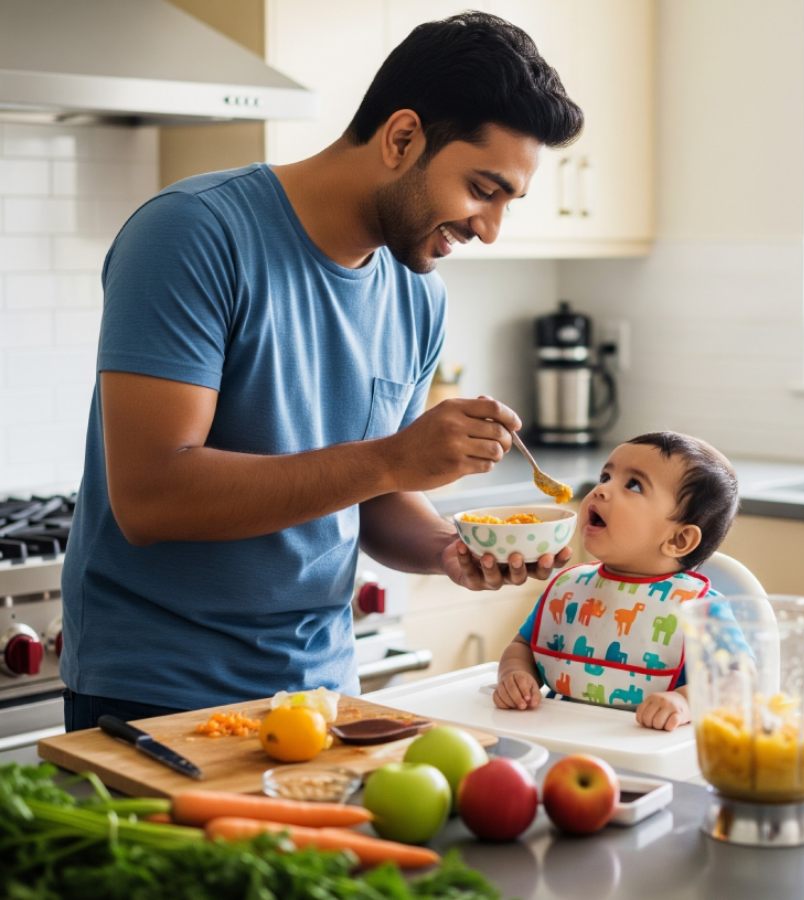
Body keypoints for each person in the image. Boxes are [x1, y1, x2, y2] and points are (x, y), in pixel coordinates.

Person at [60, 12, 584, 730]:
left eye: (507, 203)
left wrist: (450, 550)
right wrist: (395, 457)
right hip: (157, 693)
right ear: (402, 138)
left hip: (322, 690)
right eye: (483, 189)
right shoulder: (192, 234)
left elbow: (370, 494)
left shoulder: (415, 290)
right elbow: (152, 498)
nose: (489, 228)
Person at [493, 431, 742, 732]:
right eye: (605, 476)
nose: (601, 490)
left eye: (633, 485)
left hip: (647, 751)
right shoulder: (569, 588)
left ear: (679, 539)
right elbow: (522, 646)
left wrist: (686, 701)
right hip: (558, 738)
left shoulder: (700, 609)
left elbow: (739, 680)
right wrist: (515, 674)